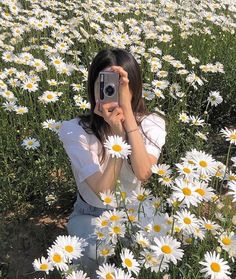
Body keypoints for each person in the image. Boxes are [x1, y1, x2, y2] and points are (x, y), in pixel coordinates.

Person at [58, 48, 167, 278]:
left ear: (133, 88)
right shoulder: (75, 130)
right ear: (93, 86)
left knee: (156, 255)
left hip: (133, 211)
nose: (112, 92)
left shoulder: (151, 123)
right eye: (106, 84)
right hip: (92, 212)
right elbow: (103, 190)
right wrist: (116, 136)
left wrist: (127, 115)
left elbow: (143, 172)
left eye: (119, 85)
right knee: (92, 254)